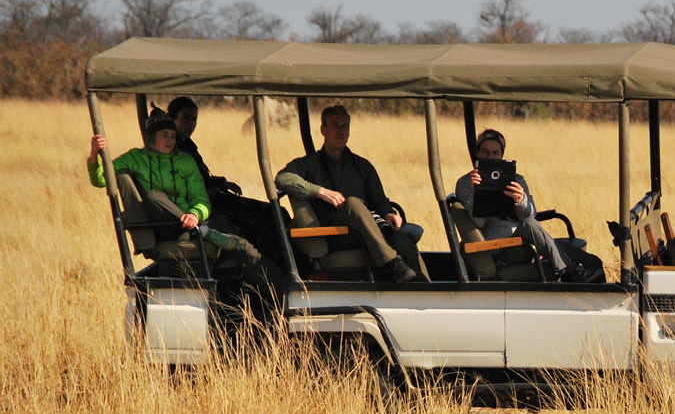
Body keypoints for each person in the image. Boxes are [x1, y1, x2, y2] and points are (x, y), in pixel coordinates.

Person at [87, 111, 285, 299]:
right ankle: (203, 231)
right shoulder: (135, 158)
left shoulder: (185, 161)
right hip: (164, 226)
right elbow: (101, 180)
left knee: (242, 245)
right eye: (164, 135)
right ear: (151, 137)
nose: (170, 140)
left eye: (173, 135)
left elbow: (201, 198)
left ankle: (283, 293)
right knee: (153, 196)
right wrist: (95, 156)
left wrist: (195, 214)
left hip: (192, 223)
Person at [275, 105, 428, 284]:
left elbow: (380, 200)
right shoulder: (309, 163)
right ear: (323, 129)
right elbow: (282, 178)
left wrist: (388, 213)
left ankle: (430, 294)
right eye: (335, 125)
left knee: (403, 241)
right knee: (353, 203)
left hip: (369, 231)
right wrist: (320, 192)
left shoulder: (362, 166)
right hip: (335, 233)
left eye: (345, 126)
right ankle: (390, 263)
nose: (340, 131)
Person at [454, 128, 602, 283]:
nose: (490, 157)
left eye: (495, 153)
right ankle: (567, 269)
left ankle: (571, 267)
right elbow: (478, 222)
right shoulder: (465, 183)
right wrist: (477, 192)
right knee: (530, 224)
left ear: (502, 155)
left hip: (522, 234)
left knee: (591, 261)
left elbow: (529, 213)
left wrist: (520, 199)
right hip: (494, 240)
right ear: (477, 153)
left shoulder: (515, 179)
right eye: (485, 152)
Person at [166, 96, 291, 270]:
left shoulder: (187, 144)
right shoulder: (171, 148)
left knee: (277, 213)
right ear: (171, 118)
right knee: (262, 222)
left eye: (194, 119)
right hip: (207, 207)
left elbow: (201, 177)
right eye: (185, 118)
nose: (190, 124)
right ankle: (271, 269)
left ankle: (282, 264)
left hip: (215, 199)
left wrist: (222, 183)